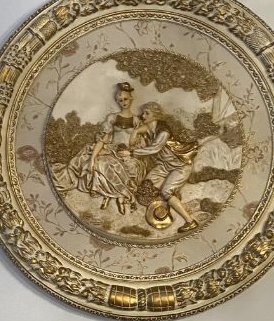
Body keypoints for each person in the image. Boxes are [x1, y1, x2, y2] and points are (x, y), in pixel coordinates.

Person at [51, 82, 145, 214]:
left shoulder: (136, 121)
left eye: (125, 99)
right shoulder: (112, 118)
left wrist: (130, 152)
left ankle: (116, 197)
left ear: (131, 98)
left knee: (132, 167)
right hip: (111, 150)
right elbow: (102, 140)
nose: (123, 102)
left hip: (127, 153)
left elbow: (141, 143)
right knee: (101, 164)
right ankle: (115, 195)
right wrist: (93, 158)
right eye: (120, 100)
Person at [131, 102, 198, 233]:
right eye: (143, 113)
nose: (143, 116)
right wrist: (135, 131)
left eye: (147, 113)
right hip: (164, 166)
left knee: (166, 192)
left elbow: (154, 149)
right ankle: (165, 202)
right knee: (146, 185)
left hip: (180, 166)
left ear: (155, 115)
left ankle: (190, 221)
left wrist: (132, 153)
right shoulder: (151, 128)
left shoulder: (163, 132)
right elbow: (142, 129)